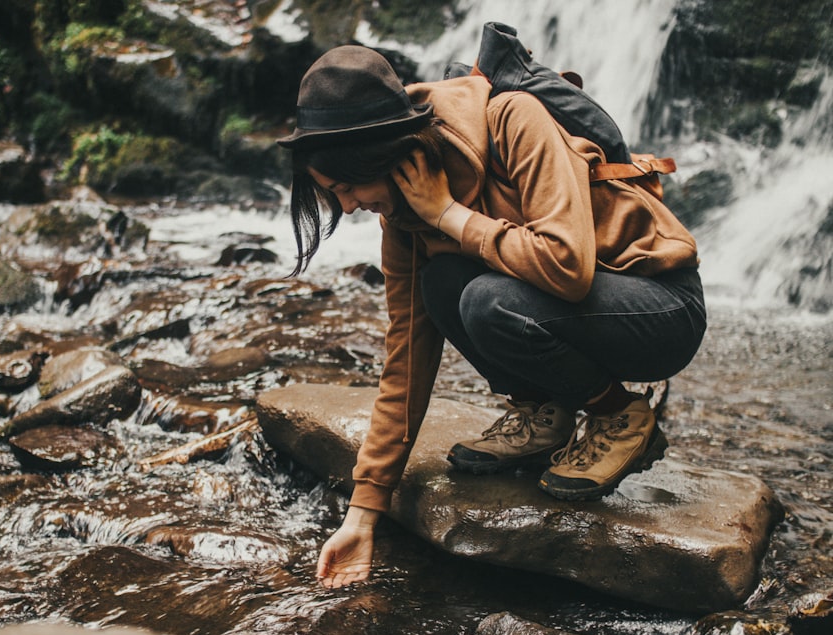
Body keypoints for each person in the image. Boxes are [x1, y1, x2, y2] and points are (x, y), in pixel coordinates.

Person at [276, 45, 706, 590]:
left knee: (486, 299)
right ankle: (543, 412)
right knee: (442, 284)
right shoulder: (404, 216)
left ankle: (621, 416)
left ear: (381, 153)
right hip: (573, 312)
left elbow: (568, 266)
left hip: (660, 308)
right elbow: (405, 356)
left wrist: (449, 215)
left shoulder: (513, 119)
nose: (352, 205)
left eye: (346, 188)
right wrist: (364, 514)